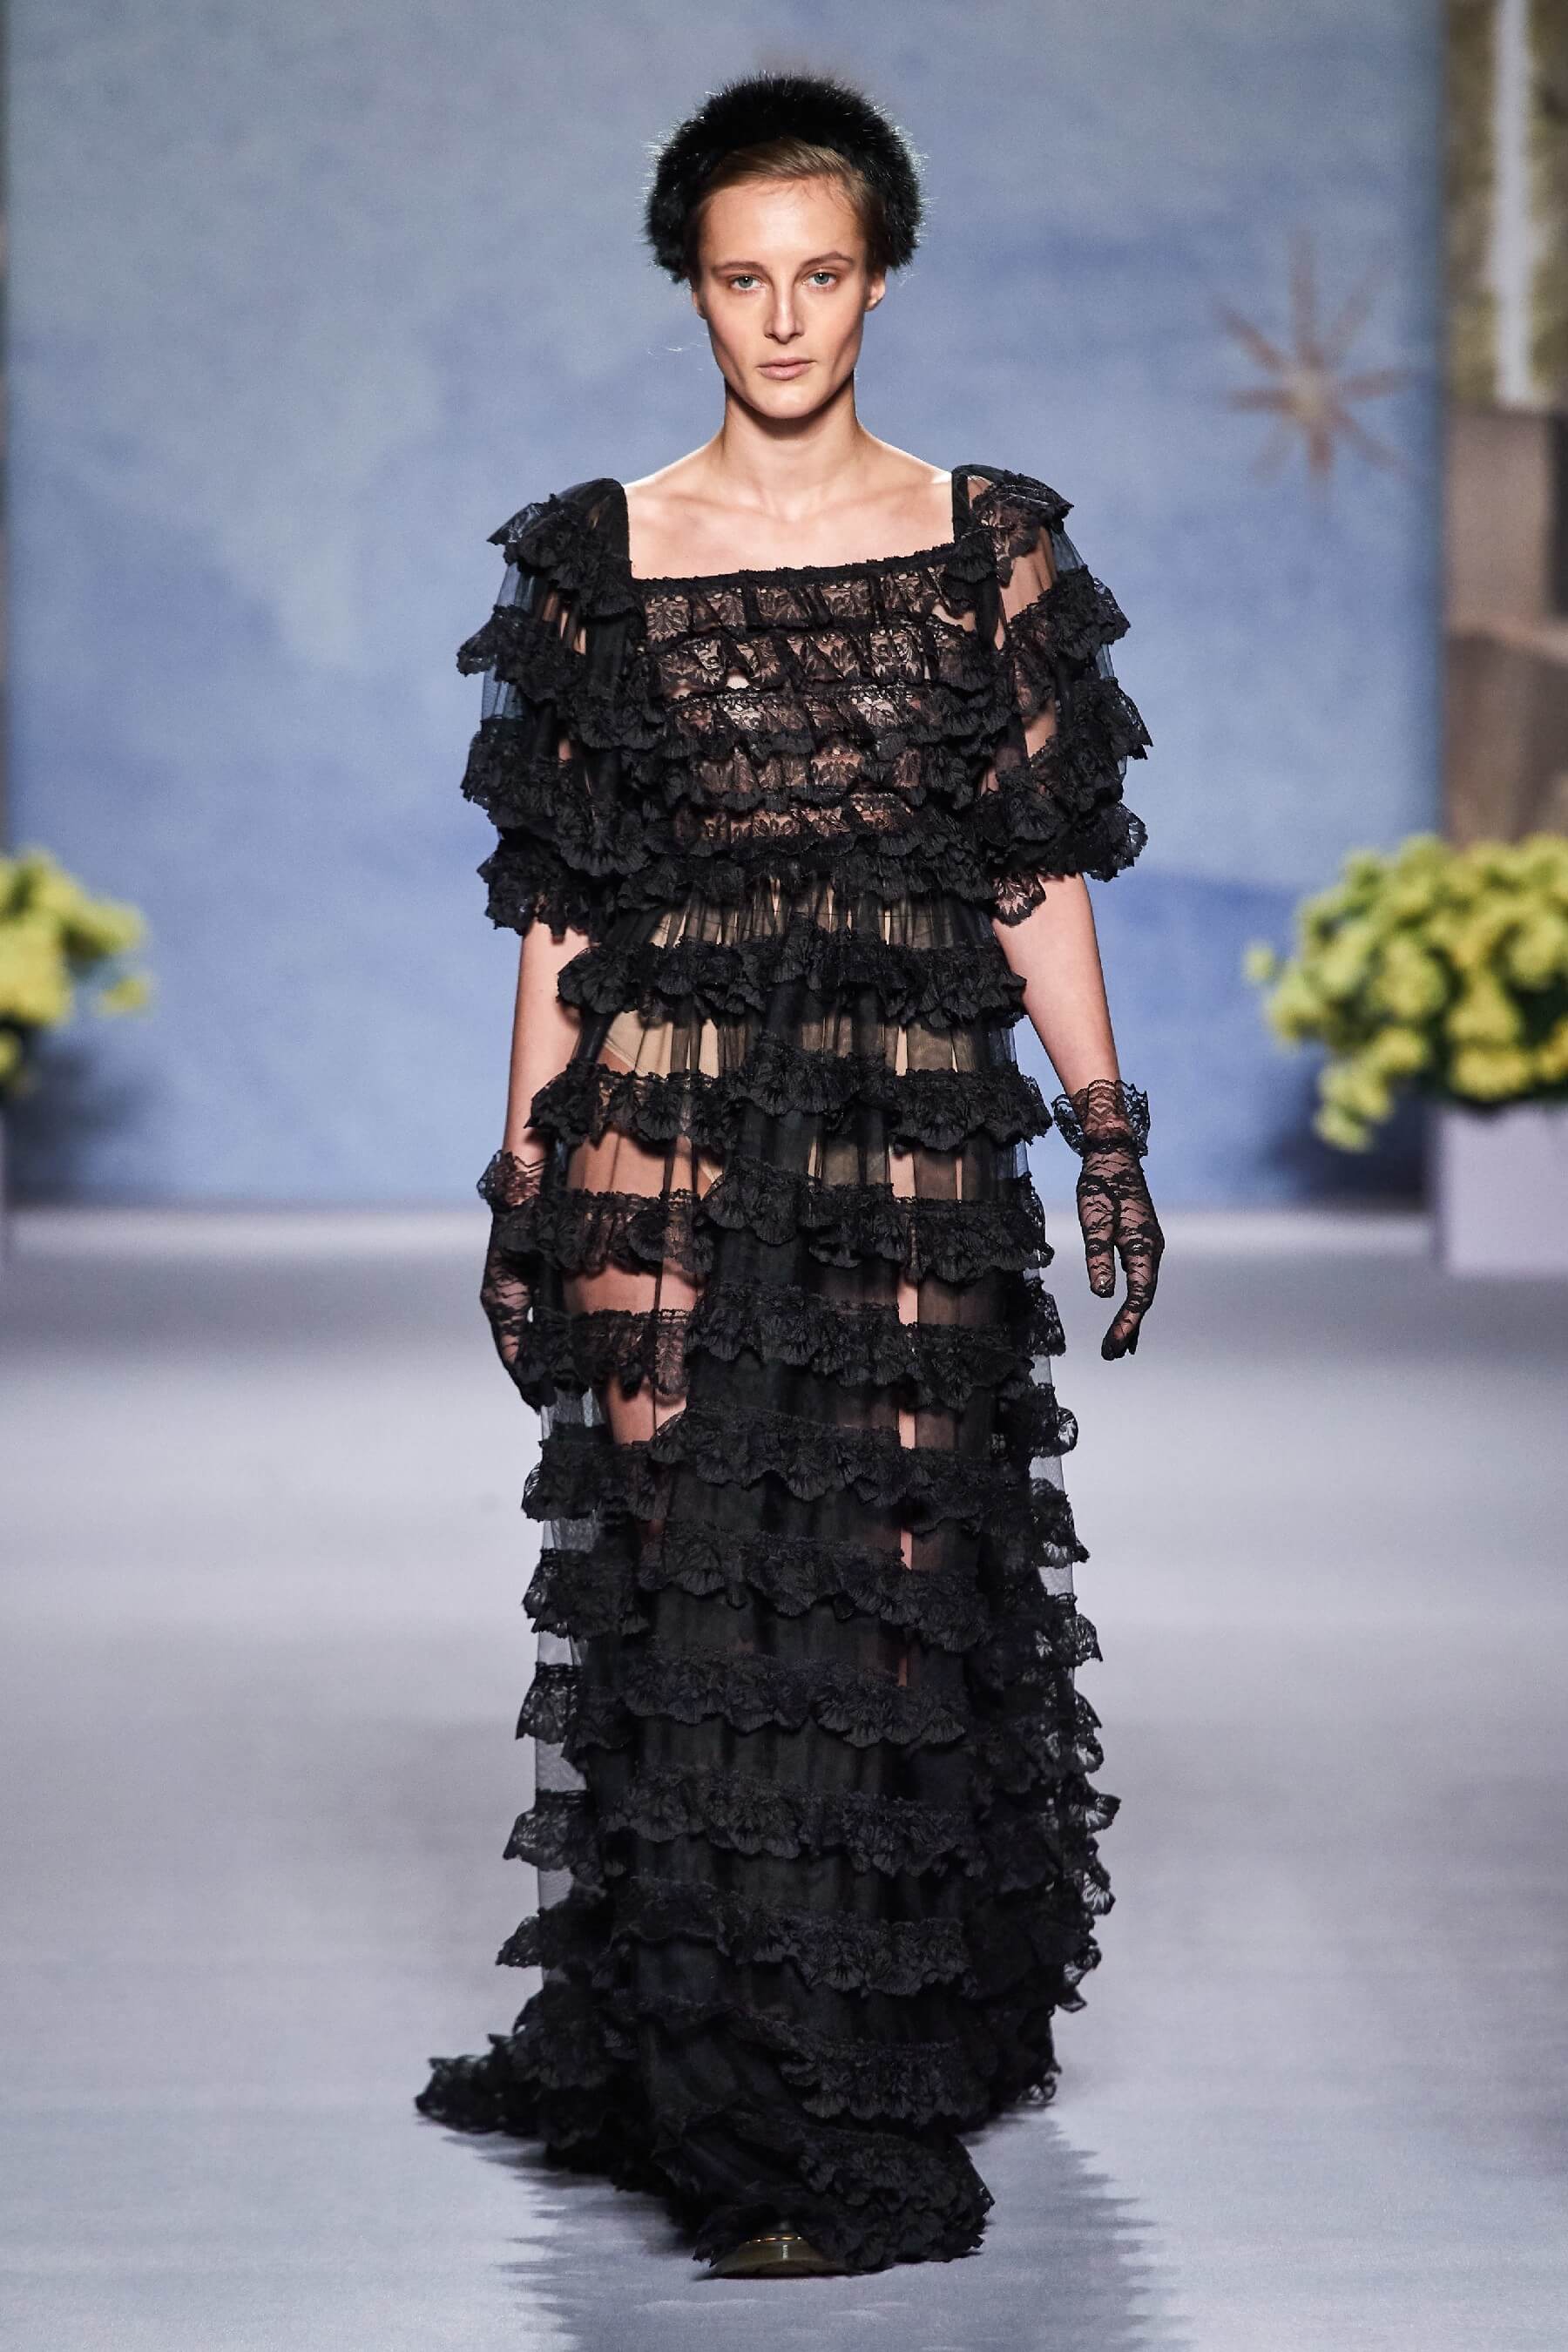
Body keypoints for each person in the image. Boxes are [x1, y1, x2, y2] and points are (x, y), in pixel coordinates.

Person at [417, 68, 1162, 2279]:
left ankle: (867, 2062)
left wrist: (1106, 1132)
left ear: (880, 280)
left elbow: (1031, 865)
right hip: (658, 1103)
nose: (781, 318)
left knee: (892, 1563)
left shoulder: (985, 546)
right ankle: (739, 2110)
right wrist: (523, 1179)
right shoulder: (598, 560)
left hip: (902, 1107)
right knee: (692, 1573)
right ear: (691, 287)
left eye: (820, 274)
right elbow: (563, 906)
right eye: (742, 278)